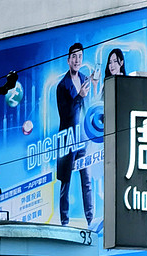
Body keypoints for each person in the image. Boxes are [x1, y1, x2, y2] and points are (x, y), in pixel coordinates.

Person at [56, 42, 94, 227]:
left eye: (80, 56)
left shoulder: (85, 78)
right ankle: (64, 222)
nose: (77, 60)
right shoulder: (62, 86)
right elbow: (65, 114)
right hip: (66, 140)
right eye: (74, 57)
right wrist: (79, 96)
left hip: (83, 140)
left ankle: (90, 219)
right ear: (68, 60)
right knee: (66, 183)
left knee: (86, 180)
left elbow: (89, 109)